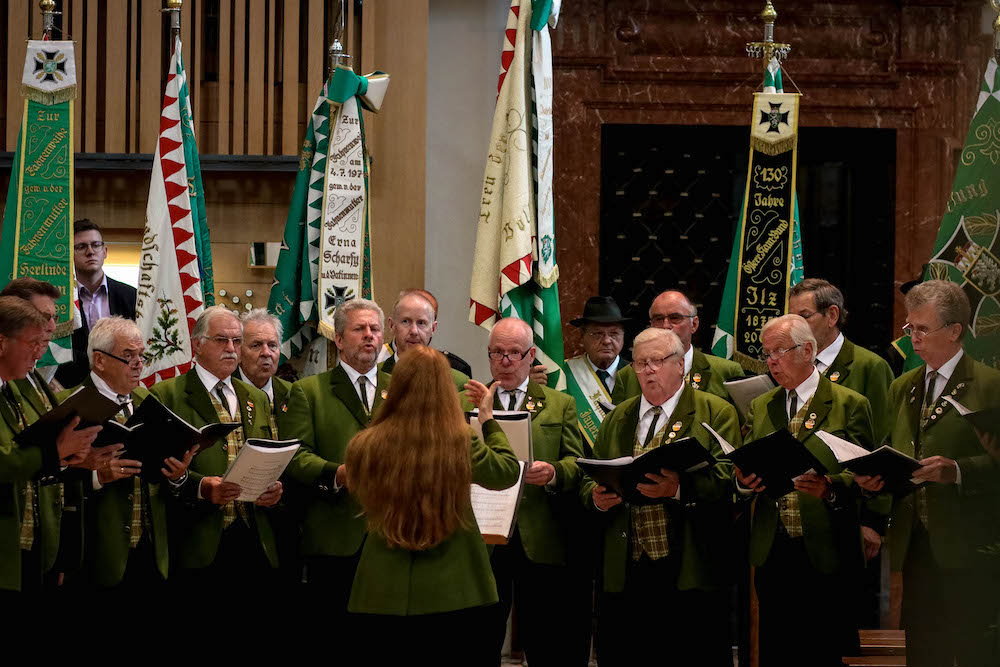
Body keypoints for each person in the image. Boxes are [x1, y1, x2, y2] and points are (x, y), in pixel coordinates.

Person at [343, 346, 519, 663]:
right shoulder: (462, 440)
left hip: (382, 587)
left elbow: (357, 487)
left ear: (395, 387)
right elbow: (506, 472)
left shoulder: (365, 443)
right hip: (457, 586)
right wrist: (489, 421)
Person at [856, 280, 1000, 667]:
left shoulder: (991, 385)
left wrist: (958, 471)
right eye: (909, 328)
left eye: (922, 329)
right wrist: (873, 481)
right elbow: (893, 450)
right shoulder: (904, 386)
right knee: (924, 652)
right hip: (916, 544)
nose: (912, 338)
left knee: (974, 651)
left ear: (955, 331)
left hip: (972, 546)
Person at [580, 327, 739, 666]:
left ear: (681, 365)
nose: (648, 370)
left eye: (658, 361)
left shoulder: (715, 413)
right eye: (640, 363)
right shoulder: (617, 418)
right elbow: (588, 473)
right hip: (626, 566)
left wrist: (679, 489)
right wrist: (595, 497)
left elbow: (729, 481)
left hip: (688, 566)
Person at [735, 314, 876, 667]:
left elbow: (867, 476)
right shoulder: (762, 405)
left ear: (808, 350)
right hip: (774, 547)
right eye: (766, 354)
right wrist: (743, 481)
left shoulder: (848, 403)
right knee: (776, 651)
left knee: (822, 652)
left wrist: (830, 487)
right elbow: (749, 460)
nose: (771, 362)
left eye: (779, 351)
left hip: (826, 547)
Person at [465, 317, 586, 665]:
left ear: (531, 355)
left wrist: (552, 474)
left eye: (514, 353)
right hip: (485, 532)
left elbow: (576, 463)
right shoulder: (469, 401)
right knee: (481, 633)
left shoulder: (558, 403)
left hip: (539, 532)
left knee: (545, 637)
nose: (505, 362)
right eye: (497, 353)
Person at [148, 305, 282, 591]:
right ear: (198, 345)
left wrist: (272, 486)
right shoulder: (168, 394)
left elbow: (265, 452)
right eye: (222, 340)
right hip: (198, 536)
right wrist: (201, 487)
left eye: (237, 341)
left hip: (253, 532)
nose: (232, 348)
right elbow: (156, 467)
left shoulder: (255, 397)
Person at [59, 316, 194, 592]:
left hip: (152, 550)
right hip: (96, 553)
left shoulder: (151, 402)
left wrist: (178, 476)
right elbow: (47, 480)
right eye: (128, 355)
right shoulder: (68, 406)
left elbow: (164, 474)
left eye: (141, 355)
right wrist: (96, 477)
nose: (138, 363)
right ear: (99, 360)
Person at [280, 298, 391, 616]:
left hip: (391, 535)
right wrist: (339, 474)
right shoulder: (308, 391)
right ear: (339, 339)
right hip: (335, 538)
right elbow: (296, 457)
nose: (369, 335)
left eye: (375, 328)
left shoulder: (400, 390)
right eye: (359, 329)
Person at [0, 297, 97, 593]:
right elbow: (4, 462)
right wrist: (56, 451)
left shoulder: (10, 388)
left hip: (32, 539)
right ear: (2, 342)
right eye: (32, 343)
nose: (39, 353)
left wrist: (69, 455)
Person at [788, 278, 895, 443]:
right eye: (791, 319)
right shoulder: (790, 362)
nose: (795, 326)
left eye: (804, 316)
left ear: (832, 315)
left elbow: (883, 437)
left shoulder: (870, 366)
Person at [613, 290, 743, 405]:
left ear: (694, 324)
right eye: (658, 319)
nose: (666, 326)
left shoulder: (726, 372)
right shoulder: (628, 376)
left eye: (675, 318)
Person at [57, 219, 138, 388]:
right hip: (73, 388)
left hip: (124, 387)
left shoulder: (131, 296)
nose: (90, 252)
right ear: (69, 254)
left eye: (96, 245)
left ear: (105, 251)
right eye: (81, 247)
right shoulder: (60, 300)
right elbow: (60, 351)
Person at [380, 290, 471, 402]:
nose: (414, 331)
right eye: (405, 321)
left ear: (433, 328)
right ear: (392, 325)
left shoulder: (458, 383)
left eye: (421, 323)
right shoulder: (375, 376)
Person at [234, 308, 291, 417]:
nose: (266, 353)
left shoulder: (291, 394)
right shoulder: (226, 392)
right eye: (256, 345)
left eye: (272, 345)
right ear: (239, 352)